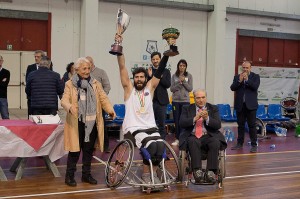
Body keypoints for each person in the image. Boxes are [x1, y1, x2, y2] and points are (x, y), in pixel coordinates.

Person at [115, 34, 170, 183]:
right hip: (134, 128)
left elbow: (160, 71)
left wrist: (167, 53)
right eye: (136, 77)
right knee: (151, 146)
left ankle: (154, 172)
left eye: (142, 77)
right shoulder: (129, 90)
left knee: (160, 146)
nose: (139, 79)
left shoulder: (150, 89)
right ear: (133, 79)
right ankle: (146, 176)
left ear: (146, 79)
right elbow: (122, 67)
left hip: (150, 127)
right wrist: (119, 46)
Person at [61, 57, 116, 187]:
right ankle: (69, 176)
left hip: (91, 123)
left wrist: (110, 110)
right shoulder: (70, 84)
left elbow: (103, 98)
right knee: (74, 151)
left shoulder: (95, 83)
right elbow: (64, 100)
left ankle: (86, 175)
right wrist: (69, 107)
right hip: (76, 122)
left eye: (88, 68)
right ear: (77, 70)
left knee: (88, 150)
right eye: (84, 68)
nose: (87, 71)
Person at [179, 89, 227, 184]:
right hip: (192, 135)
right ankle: (197, 171)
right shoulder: (186, 108)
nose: (201, 100)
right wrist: (194, 118)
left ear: (206, 97)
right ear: (194, 98)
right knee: (193, 141)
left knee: (215, 141)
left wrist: (207, 118)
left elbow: (217, 125)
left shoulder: (213, 108)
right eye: (198, 98)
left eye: (203, 97)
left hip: (208, 135)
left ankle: (211, 171)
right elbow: (182, 123)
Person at [230, 61, 260, 153]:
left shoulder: (255, 76)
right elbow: (232, 88)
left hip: (251, 106)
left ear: (250, 68)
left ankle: (254, 144)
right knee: (240, 125)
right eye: (243, 68)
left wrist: (247, 80)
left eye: (247, 68)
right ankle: (239, 143)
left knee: (252, 126)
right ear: (241, 68)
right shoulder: (237, 77)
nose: (245, 69)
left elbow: (255, 87)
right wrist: (240, 80)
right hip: (240, 105)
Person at [86, 56, 111, 153]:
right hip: (87, 105)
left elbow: (107, 86)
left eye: (88, 64)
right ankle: (90, 146)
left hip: (99, 105)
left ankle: (105, 146)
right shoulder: (84, 73)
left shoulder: (101, 72)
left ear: (92, 63)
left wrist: (101, 99)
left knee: (102, 125)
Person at [148, 52, 171, 140]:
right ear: (151, 60)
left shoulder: (166, 71)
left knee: (162, 125)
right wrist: (150, 76)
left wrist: (160, 77)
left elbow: (168, 84)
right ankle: (151, 144)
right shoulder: (149, 71)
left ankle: (162, 145)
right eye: (153, 59)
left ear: (160, 59)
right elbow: (147, 85)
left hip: (162, 102)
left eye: (157, 59)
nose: (155, 61)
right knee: (151, 125)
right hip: (151, 102)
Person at [170, 59, 193, 146]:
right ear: (178, 66)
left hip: (185, 101)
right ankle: (177, 138)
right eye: (180, 65)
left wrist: (184, 81)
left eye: (183, 66)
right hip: (176, 101)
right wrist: (179, 83)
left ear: (186, 67)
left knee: (184, 121)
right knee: (177, 120)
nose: (182, 67)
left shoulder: (189, 76)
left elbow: (190, 89)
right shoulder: (174, 76)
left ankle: (184, 138)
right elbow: (172, 89)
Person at [25, 50, 46, 118]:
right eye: (35, 57)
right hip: (32, 98)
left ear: (43, 58)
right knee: (31, 118)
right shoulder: (30, 67)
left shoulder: (48, 67)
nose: (36, 58)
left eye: (38, 57)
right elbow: (28, 81)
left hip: (43, 98)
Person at [0, 55, 10, 119]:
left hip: (3, 97)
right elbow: (2, 83)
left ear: (2, 61)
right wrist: (1, 81)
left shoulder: (6, 72)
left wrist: (3, 82)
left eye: (0, 60)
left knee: (5, 116)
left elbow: (5, 84)